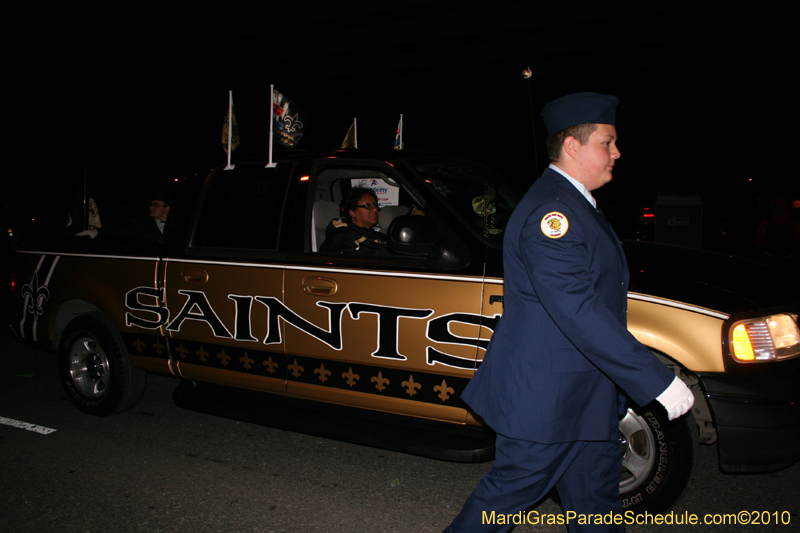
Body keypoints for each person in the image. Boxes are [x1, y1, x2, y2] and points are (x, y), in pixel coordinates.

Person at [443, 92, 694, 533]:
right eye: (607, 141)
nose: (617, 152)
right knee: (508, 495)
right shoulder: (552, 211)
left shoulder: (575, 202)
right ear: (573, 146)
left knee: (595, 503)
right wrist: (655, 379)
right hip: (549, 400)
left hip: (584, 397)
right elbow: (577, 309)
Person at [77, 190, 171, 241]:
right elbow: (120, 230)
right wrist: (97, 232)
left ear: (166, 208)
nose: (151, 208)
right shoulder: (143, 225)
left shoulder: (177, 225)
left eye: (156, 205)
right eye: (151, 204)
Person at [319, 187, 390, 254]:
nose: (375, 209)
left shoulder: (377, 235)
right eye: (368, 206)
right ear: (352, 212)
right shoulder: (344, 236)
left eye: (375, 205)